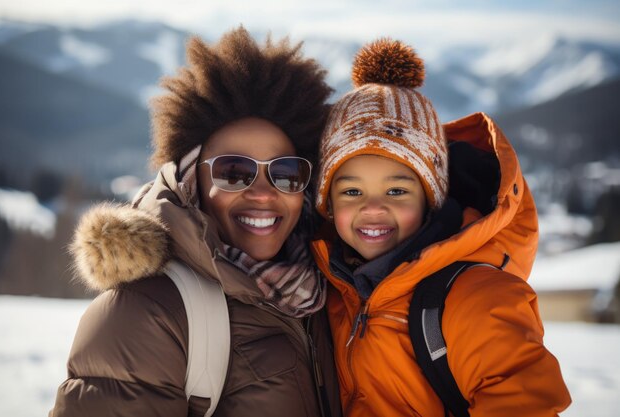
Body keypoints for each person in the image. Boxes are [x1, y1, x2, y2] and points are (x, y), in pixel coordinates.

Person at [50, 27, 341, 417]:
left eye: (286, 172)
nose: (263, 193)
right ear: (192, 182)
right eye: (234, 171)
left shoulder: (329, 293)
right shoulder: (147, 313)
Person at [310, 38, 572, 416]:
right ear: (328, 205)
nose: (373, 208)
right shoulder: (331, 286)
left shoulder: (475, 298)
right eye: (352, 190)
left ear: (430, 197)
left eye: (397, 190)